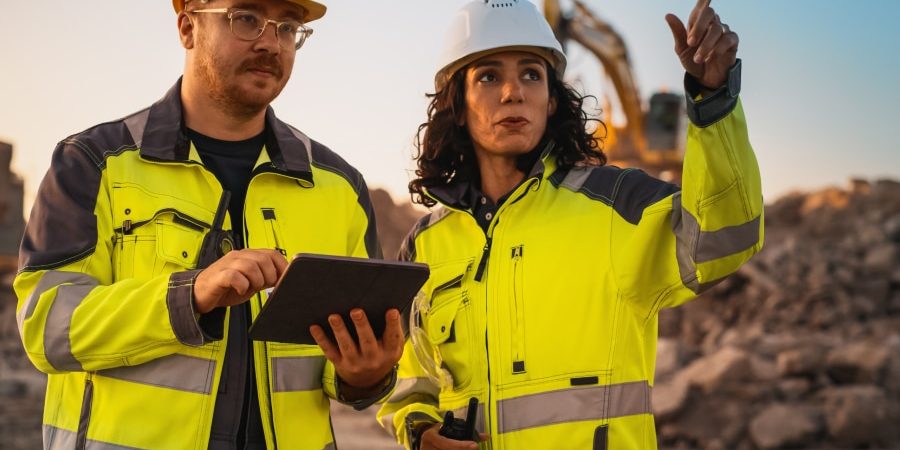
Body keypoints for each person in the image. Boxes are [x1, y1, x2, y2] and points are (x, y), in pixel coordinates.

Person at [13, 0, 403, 448]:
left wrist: (364, 376)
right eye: (247, 18)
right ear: (187, 27)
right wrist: (187, 297)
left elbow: (344, 359)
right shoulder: (94, 163)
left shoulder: (339, 188)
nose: (271, 43)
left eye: (288, 27)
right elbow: (47, 328)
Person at [377, 0, 762, 448]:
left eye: (531, 74)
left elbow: (726, 236)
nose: (512, 93)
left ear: (551, 99)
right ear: (458, 105)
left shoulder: (617, 206)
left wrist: (713, 102)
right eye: (488, 76)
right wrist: (421, 433)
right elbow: (411, 381)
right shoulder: (425, 245)